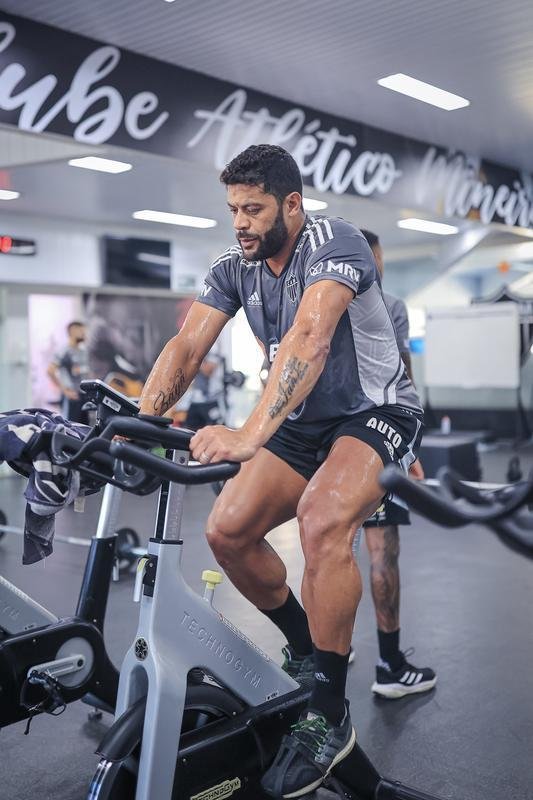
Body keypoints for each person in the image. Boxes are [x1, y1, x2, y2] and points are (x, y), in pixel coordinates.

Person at [139, 144, 424, 798]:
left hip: (372, 410)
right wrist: (143, 420)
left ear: (291, 205)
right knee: (228, 532)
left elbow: (310, 336)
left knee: (322, 521)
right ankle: (308, 652)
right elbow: (187, 346)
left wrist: (248, 433)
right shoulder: (232, 266)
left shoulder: (333, 242)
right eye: (233, 208)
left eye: (254, 208)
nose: (239, 221)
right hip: (301, 420)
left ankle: (328, 707)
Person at [356, 229, 436, 699]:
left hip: (320, 444)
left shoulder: (315, 300)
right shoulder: (390, 307)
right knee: (382, 552)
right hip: (375, 441)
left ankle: (325, 648)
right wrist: (410, 446)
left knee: (327, 547)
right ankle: (389, 667)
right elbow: (401, 377)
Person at [47, 320, 90, 424]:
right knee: (70, 428)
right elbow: (50, 371)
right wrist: (65, 391)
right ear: (73, 331)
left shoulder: (83, 351)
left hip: (83, 396)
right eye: (81, 331)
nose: (84, 334)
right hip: (71, 397)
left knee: (84, 429)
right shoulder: (64, 351)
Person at [184, 347, 224, 430]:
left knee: (215, 429)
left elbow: (208, 370)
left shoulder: (213, 350)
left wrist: (195, 361)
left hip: (210, 400)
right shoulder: (195, 350)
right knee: (189, 429)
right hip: (195, 400)